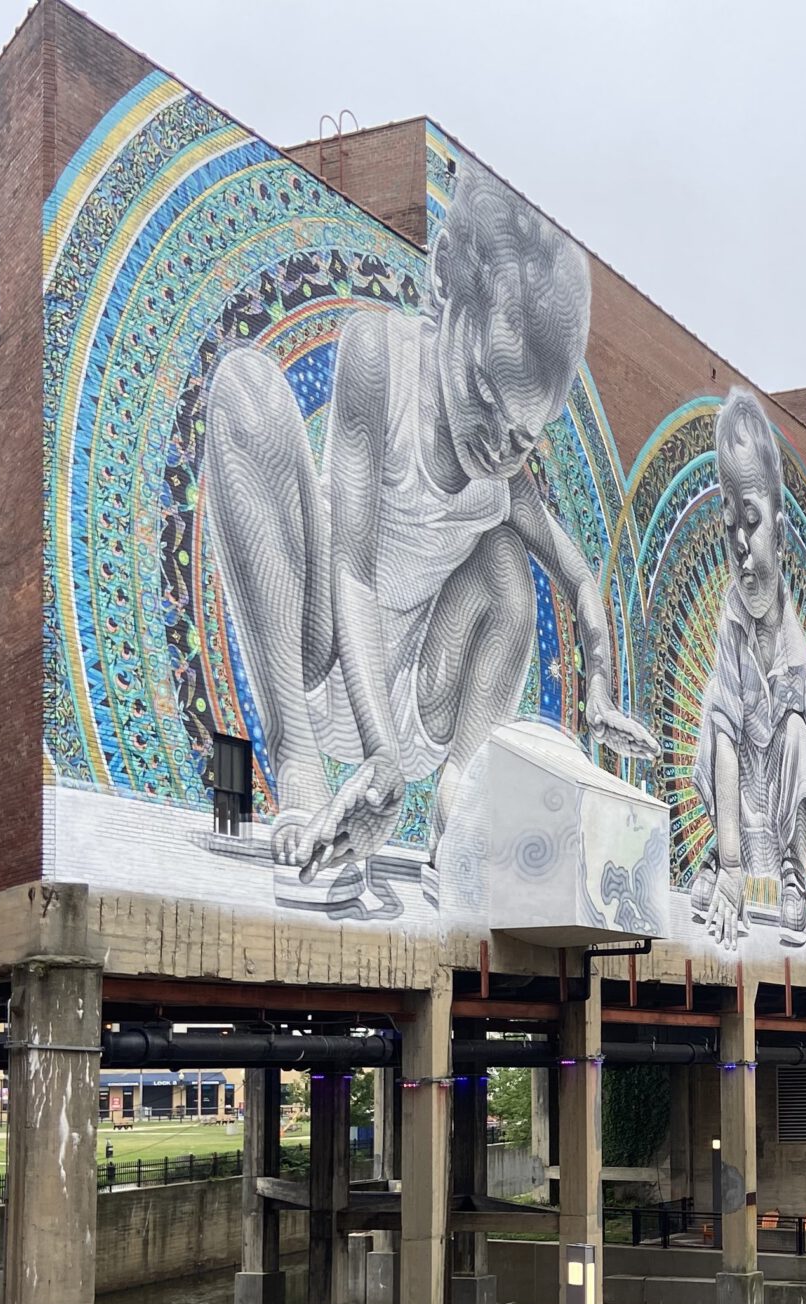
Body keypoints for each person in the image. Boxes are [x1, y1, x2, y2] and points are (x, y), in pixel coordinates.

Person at [200, 157, 657, 913]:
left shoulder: (503, 467)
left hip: (422, 701)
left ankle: (454, 821)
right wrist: (376, 753)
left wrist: (600, 687)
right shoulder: (380, 357)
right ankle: (300, 775)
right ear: (444, 282)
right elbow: (349, 565)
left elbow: (579, 581)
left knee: (508, 562)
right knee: (246, 388)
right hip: (324, 660)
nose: (499, 448)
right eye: (483, 396)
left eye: (524, 436)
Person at [689, 388, 806, 947]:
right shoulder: (729, 628)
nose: (737, 541)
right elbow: (725, 740)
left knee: (800, 734)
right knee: (713, 721)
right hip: (737, 804)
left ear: (779, 528)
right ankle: (718, 856)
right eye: (729, 523)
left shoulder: (796, 649)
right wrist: (731, 866)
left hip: (777, 806)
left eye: (749, 521)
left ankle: (794, 872)